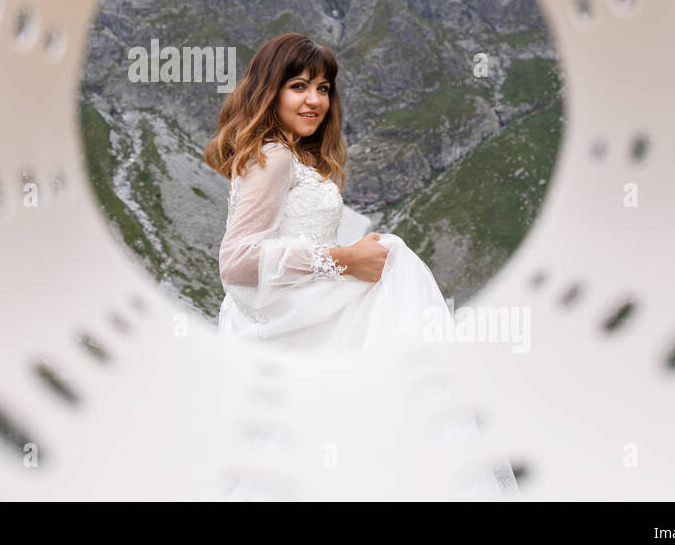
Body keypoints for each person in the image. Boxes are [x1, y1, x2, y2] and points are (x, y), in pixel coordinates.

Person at [205, 32, 518, 498]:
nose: (314, 100)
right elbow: (237, 261)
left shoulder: (289, 156)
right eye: (298, 86)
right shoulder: (272, 157)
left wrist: (351, 255)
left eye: (324, 88)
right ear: (269, 90)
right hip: (290, 325)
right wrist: (346, 259)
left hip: (305, 314)